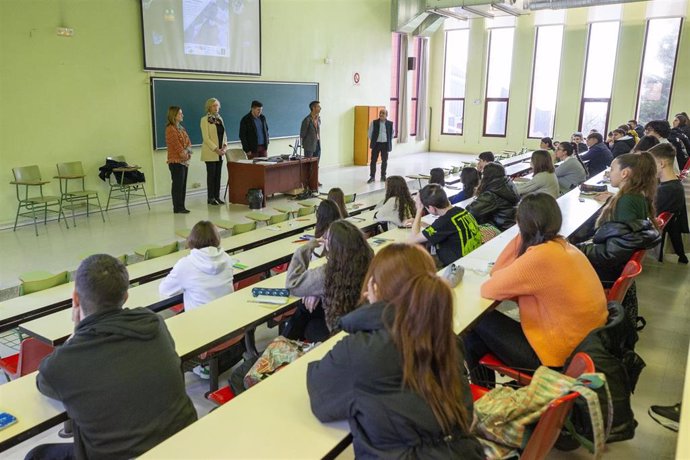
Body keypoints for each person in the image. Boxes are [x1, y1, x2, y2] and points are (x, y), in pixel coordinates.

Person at [307, 244, 484, 459]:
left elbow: (320, 396)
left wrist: (367, 314)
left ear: (374, 287)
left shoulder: (360, 351)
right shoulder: (445, 336)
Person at [27, 255, 197, 460]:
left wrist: (76, 333)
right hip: (182, 444)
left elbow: (43, 383)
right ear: (125, 297)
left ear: (75, 299)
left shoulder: (62, 363)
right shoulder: (154, 324)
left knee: (37, 455)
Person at [463, 194, 608, 385]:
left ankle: (482, 389)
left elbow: (490, 286)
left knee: (475, 323)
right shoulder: (564, 247)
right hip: (584, 349)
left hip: (556, 360)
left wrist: (521, 234)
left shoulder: (539, 258)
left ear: (521, 224)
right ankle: (487, 385)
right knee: (484, 329)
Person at [578, 152, 661, 286]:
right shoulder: (635, 196)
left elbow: (613, 253)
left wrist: (578, 249)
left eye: (611, 169)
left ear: (624, 173)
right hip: (616, 267)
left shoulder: (626, 201)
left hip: (607, 273)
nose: (609, 173)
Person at [285, 220, 373, 341]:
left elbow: (292, 284)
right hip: (362, 324)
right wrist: (316, 292)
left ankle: (284, 342)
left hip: (339, 333)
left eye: (327, 239)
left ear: (333, 248)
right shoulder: (370, 260)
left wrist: (305, 249)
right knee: (306, 307)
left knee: (308, 321)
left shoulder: (327, 273)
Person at [159, 221, 235, 311]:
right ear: (217, 238)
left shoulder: (185, 264)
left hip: (199, 320)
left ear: (192, 239)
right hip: (227, 313)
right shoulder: (226, 258)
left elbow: (165, 290)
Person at [409, 184, 482, 267]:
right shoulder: (460, 210)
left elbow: (413, 239)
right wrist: (420, 223)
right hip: (473, 256)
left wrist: (419, 210)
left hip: (458, 266)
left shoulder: (443, 222)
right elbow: (441, 229)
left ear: (432, 208)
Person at [649, 143, 689, 264]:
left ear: (661, 164)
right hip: (671, 225)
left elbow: (648, 214)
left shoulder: (665, 190)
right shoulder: (674, 184)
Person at [466, 162, 519, 232]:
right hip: (508, 224)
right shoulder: (507, 183)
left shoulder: (492, 193)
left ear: (487, 176)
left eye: (483, 174)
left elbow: (471, 211)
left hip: (498, 228)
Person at [165, 106, 192, 214]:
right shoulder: (170, 129)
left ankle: (182, 206)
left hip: (184, 161)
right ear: (174, 115)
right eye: (180, 113)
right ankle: (177, 207)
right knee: (177, 185)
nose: (182, 115)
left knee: (183, 184)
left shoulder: (181, 128)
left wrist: (187, 153)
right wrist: (184, 154)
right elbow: (177, 145)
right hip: (175, 161)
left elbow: (189, 143)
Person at [201, 97, 227, 205]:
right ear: (209, 107)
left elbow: (224, 135)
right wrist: (216, 149)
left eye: (217, 105)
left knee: (218, 175)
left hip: (220, 153)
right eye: (214, 105)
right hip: (211, 152)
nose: (216, 108)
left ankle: (217, 196)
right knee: (211, 176)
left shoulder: (220, 119)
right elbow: (206, 138)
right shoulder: (204, 120)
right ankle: (210, 197)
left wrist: (224, 147)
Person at [367, 108, 393, 183]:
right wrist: (374, 140)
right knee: (373, 161)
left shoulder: (390, 124)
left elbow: (392, 134)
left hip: (385, 144)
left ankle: (383, 176)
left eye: (383, 113)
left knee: (384, 161)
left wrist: (386, 140)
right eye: (380, 113)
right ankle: (372, 177)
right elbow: (369, 133)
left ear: (386, 115)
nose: (381, 114)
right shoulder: (374, 122)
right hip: (376, 144)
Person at [300, 100, 322, 186]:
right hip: (309, 145)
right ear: (313, 108)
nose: (320, 108)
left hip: (318, 143)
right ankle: (307, 182)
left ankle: (315, 180)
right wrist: (306, 143)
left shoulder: (318, 119)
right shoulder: (307, 120)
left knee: (316, 164)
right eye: (318, 107)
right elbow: (302, 134)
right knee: (308, 165)